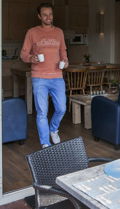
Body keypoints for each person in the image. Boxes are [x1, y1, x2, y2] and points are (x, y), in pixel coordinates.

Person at [20, 2, 69, 148]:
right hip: (39, 77)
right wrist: (31, 58)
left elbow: (63, 53)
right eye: (45, 14)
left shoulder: (59, 32)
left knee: (61, 108)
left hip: (57, 76)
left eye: (51, 14)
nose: (48, 17)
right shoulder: (32, 32)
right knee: (42, 111)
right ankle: (45, 144)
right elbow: (23, 54)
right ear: (39, 16)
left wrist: (65, 61)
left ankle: (53, 129)